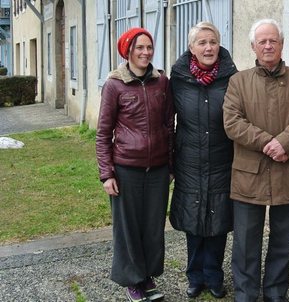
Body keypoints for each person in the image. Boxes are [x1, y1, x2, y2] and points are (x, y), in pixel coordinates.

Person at [223, 19, 289, 302]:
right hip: (249, 173)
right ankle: (246, 294)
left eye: (273, 41)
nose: (268, 46)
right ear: (253, 46)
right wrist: (268, 142)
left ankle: (276, 293)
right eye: (262, 41)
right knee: (245, 241)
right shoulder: (238, 81)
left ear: (281, 44)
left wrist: (285, 143)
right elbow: (232, 122)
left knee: (283, 239)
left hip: (288, 169)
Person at [96, 27, 174, 302]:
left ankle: (148, 277)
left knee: (153, 226)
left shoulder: (162, 82)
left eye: (149, 47)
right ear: (128, 51)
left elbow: (169, 124)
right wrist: (107, 174)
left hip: (159, 168)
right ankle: (132, 280)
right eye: (139, 48)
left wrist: (171, 164)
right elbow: (103, 133)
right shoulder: (114, 85)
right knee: (127, 227)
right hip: (127, 167)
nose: (145, 53)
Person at [169, 21, 237, 299]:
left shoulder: (232, 76)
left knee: (218, 220)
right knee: (193, 221)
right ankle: (195, 276)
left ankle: (215, 276)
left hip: (222, 158)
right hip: (189, 159)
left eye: (213, 42)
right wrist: (169, 159)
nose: (208, 47)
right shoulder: (178, 77)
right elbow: (165, 120)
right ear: (191, 48)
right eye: (202, 42)